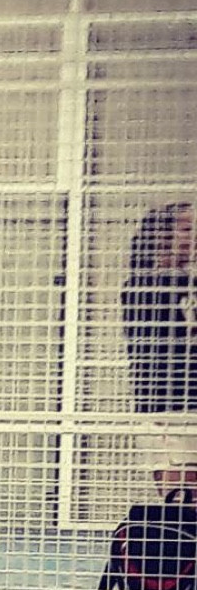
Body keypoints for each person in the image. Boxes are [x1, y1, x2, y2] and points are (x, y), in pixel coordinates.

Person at [121, 201, 197, 497]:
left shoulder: (188, 284)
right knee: (183, 499)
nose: (193, 237)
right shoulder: (144, 288)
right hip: (167, 406)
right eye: (186, 229)